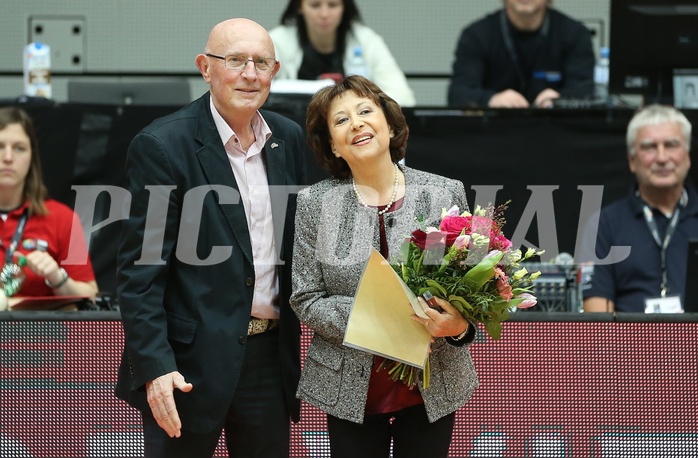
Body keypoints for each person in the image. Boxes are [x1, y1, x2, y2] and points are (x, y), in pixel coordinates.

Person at [114, 18, 307, 458]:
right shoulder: (163, 145)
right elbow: (139, 274)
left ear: (275, 71)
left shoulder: (288, 140)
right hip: (186, 365)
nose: (250, 73)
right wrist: (155, 367)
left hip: (268, 362)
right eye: (235, 60)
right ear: (205, 67)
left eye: (261, 62)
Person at [291, 75, 478, 458]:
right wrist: (373, 319)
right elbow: (305, 296)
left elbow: (471, 286)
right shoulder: (314, 204)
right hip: (349, 386)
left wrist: (459, 327)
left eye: (364, 111)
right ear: (334, 147)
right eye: (341, 121)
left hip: (433, 382)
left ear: (390, 126)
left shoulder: (445, 193)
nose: (356, 123)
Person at [582, 104, 697, 313]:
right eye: (649, 147)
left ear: (687, 157)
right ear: (632, 161)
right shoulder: (604, 224)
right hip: (628, 344)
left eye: (671, 145)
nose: (662, 158)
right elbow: (595, 313)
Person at [0, 106, 97, 304]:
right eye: (0, 146)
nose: (8, 157)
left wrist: (57, 277)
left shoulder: (63, 218)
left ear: (31, 158)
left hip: (42, 334)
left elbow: (91, 296)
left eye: (19, 148)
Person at [447, 0, 595, 109]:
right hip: (494, 133)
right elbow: (459, 93)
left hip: (555, 133)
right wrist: (491, 100)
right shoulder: (477, 35)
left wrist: (560, 100)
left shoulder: (574, 34)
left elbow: (586, 91)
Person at [269, 0, 416, 107]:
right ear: (299, 6)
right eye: (315, 5)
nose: (324, 14)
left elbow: (403, 96)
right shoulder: (277, 40)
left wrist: (361, 105)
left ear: (344, 7)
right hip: (295, 126)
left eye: (333, 5)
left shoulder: (366, 40)